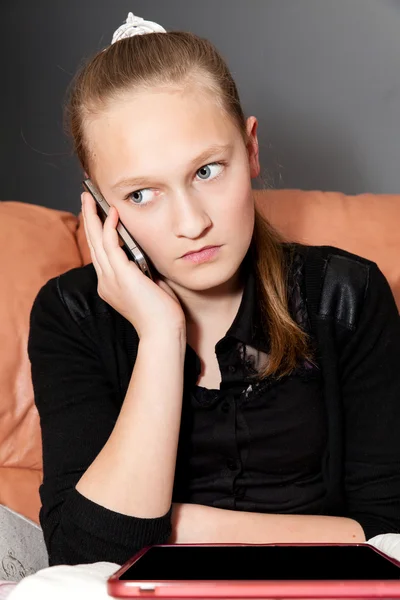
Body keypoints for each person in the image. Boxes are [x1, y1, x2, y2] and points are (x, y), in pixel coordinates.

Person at [27, 12, 400, 567]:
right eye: (141, 195)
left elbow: (386, 535)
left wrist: (170, 524)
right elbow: (81, 554)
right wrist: (160, 334)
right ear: (100, 205)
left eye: (206, 171)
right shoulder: (71, 313)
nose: (191, 222)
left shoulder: (346, 294)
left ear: (249, 149)